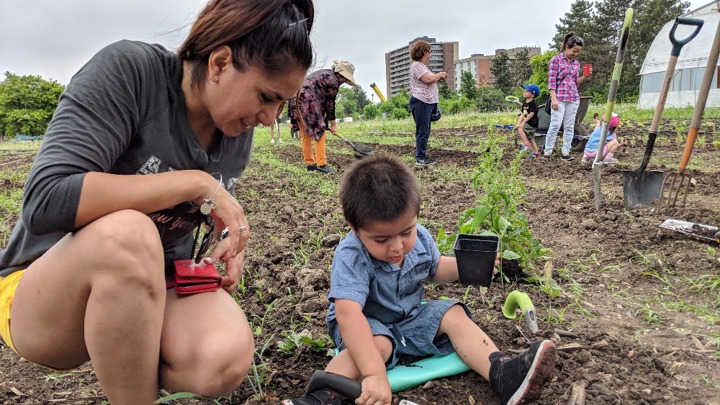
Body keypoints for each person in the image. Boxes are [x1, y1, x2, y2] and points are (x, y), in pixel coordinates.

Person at [0, 0, 315, 403]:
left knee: (221, 358)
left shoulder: (234, 130)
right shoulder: (132, 72)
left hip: (149, 293)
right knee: (129, 235)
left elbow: (195, 209)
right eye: (266, 97)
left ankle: (129, 373)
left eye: (281, 104)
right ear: (219, 63)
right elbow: (45, 200)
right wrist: (192, 183)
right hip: (44, 297)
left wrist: (224, 235)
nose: (270, 118)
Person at [284, 155, 557, 405]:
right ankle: (319, 397)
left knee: (453, 313)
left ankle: (502, 373)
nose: (397, 247)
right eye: (381, 239)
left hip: (409, 317)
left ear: (416, 216)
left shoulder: (421, 238)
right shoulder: (351, 256)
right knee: (378, 345)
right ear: (354, 228)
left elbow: (436, 268)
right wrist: (375, 375)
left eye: (406, 232)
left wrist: (466, 267)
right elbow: (348, 314)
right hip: (366, 324)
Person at [288, 60, 357, 174]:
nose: (345, 81)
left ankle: (310, 164)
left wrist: (325, 121)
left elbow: (322, 102)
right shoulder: (333, 81)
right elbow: (330, 104)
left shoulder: (325, 73)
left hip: (295, 101)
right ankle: (322, 164)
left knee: (306, 135)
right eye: (346, 79)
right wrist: (333, 124)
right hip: (308, 103)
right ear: (342, 75)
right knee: (320, 133)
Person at [543, 32, 592, 161]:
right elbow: (551, 81)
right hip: (559, 98)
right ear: (567, 47)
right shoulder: (555, 60)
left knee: (569, 126)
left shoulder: (576, 64)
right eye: (574, 51)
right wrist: (553, 99)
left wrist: (585, 76)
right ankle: (547, 151)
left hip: (573, 97)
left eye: (578, 52)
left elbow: (576, 82)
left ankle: (566, 151)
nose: (575, 54)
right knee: (555, 125)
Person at [409, 40, 447, 166]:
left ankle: (423, 155)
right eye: (429, 52)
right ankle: (420, 157)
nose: (430, 54)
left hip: (427, 102)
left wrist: (438, 77)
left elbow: (430, 80)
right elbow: (428, 79)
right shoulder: (417, 66)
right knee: (423, 131)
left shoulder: (422, 67)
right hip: (421, 102)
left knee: (425, 130)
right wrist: (439, 75)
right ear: (423, 52)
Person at [515, 83, 541, 158]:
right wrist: (518, 123)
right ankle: (536, 154)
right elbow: (523, 114)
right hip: (528, 123)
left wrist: (523, 123)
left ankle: (525, 144)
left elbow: (531, 114)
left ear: (532, 95)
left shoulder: (533, 104)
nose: (524, 92)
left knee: (520, 129)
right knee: (531, 138)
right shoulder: (525, 104)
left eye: (526, 91)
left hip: (532, 123)